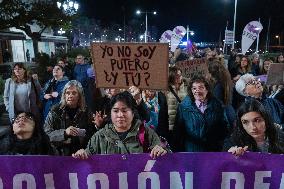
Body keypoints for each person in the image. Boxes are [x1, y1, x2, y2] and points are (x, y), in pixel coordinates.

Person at [72, 91, 168, 159]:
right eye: (116, 111)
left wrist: (161, 150)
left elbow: (166, 154)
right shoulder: (100, 136)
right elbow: (88, 155)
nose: (120, 115)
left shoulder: (146, 133)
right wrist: (82, 154)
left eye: (124, 110)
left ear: (133, 113)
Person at [173, 75, 229, 152]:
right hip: (191, 152)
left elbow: (224, 128)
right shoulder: (184, 107)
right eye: (194, 88)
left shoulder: (218, 105)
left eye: (201, 87)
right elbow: (178, 132)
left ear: (207, 89)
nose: (197, 91)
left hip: (213, 151)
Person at [44, 80, 97, 156]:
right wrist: (64, 133)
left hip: (81, 154)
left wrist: (98, 125)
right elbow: (46, 135)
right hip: (59, 155)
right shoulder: (54, 111)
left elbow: (92, 135)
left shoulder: (86, 111)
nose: (70, 95)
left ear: (79, 96)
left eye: (74, 93)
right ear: (64, 95)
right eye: (67, 93)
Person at [208, 60, 236, 129]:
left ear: (211, 73)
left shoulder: (218, 86)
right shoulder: (226, 80)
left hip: (224, 116)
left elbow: (216, 104)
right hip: (230, 112)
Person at [166, 66, 188, 143]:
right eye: (177, 75)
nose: (179, 77)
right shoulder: (166, 89)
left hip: (185, 123)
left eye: (180, 75)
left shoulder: (186, 87)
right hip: (171, 124)